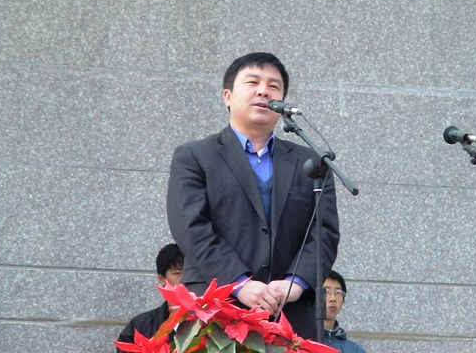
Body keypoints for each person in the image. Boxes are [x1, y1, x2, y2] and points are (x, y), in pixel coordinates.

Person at [166, 52, 340, 340]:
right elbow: (190, 227)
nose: (263, 91)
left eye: (273, 86)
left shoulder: (311, 162)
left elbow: (325, 231)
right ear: (227, 96)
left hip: (290, 313)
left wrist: (295, 283)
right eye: (252, 82)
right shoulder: (195, 156)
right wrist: (239, 283)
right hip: (215, 308)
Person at [115, 244, 184, 351]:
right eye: (177, 273)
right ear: (162, 278)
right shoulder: (140, 326)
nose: (186, 279)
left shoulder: (209, 324)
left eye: (192, 273)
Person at [323, 270, 366, 353]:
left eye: (338, 292)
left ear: (343, 302)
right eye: (326, 291)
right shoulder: (299, 343)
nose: (333, 298)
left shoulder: (354, 350)